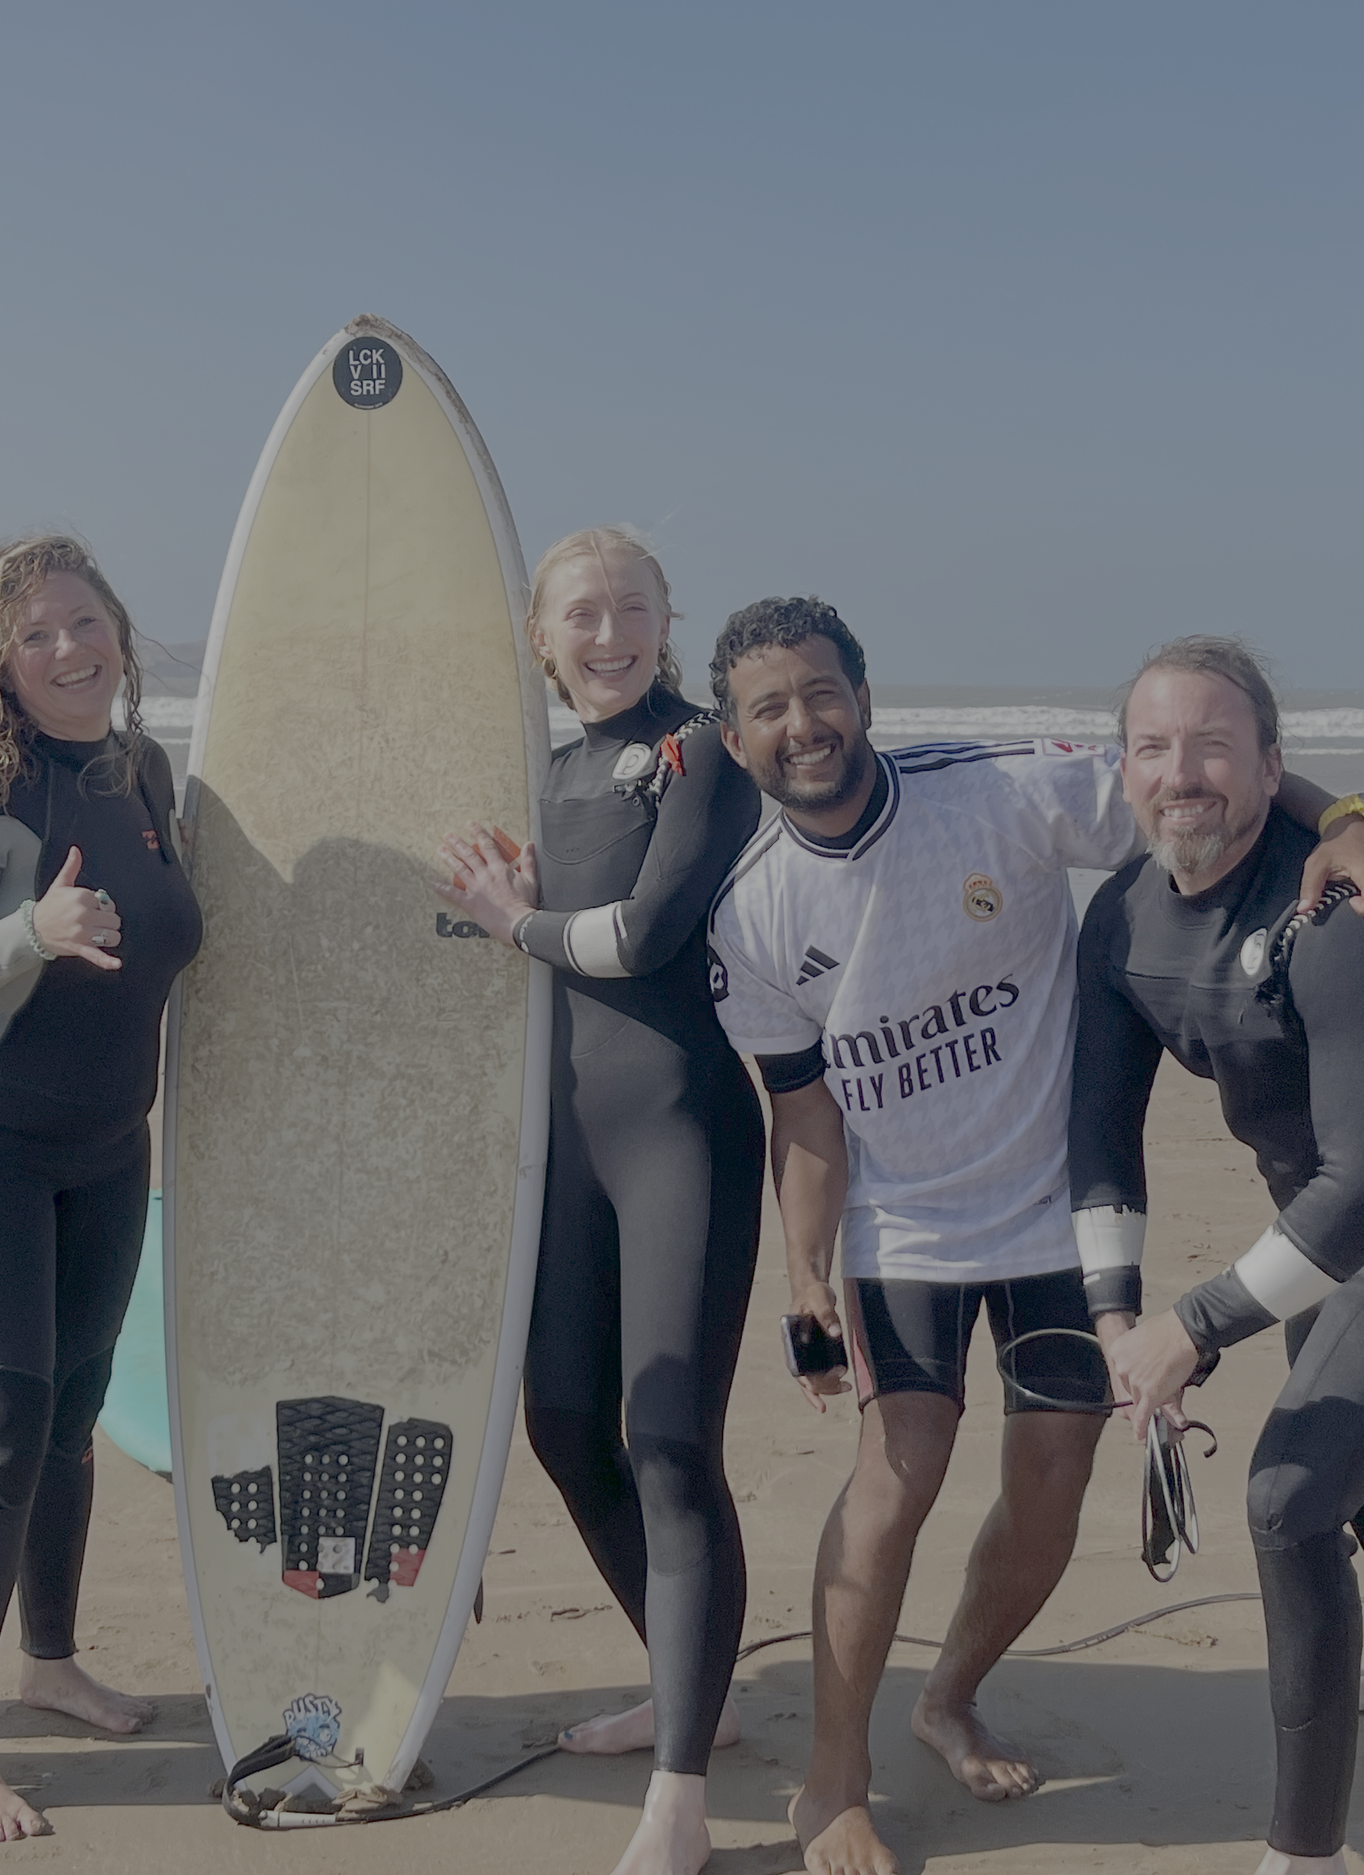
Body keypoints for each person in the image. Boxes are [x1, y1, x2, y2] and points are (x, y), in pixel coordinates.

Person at [701, 599, 1364, 1875]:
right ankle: (833, 1777)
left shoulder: (1005, 792)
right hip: (900, 1229)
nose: (802, 725)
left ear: (864, 698)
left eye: (822, 694)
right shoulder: (750, 914)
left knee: (1048, 1488)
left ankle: (947, 1694)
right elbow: (805, 1121)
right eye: (769, 708)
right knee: (898, 1476)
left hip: (1052, 1206)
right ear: (733, 733)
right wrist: (807, 1276)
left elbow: (1195, 780)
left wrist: (1352, 822)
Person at [1072, 636, 1364, 1875]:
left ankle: (1303, 1855)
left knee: (1286, 1498)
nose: (1186, 773)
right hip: (1318, 1221)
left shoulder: (1340, 912)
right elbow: (1099, 1137)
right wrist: (1118, 1316)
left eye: (1216, 745)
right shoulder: (1118, 921)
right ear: (1121, 772)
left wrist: (1197, 1323)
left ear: (1271, 767)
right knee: (1354, 1449)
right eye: (1157, 747)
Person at [434, 526, 764, 1875]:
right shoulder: (546, 766)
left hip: (681, 1129)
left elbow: (639, 933)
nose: (610, 628)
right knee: (567, 1425)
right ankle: (693, 1685)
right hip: (563, 1146)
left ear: (668, 617)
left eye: (634, 604)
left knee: (673, 1441)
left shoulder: (701, 749)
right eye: (583, 610)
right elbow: (501, 913)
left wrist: (511, 920)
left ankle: (678, 1794)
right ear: (539, 634)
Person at [0, 536, 204, 1843]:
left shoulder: (143, 771)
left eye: (84, 621)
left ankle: (50, 1659)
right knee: (1, 1428)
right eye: (36, 635)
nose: (70, 649)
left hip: (110, 1142)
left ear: (118, 626)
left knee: (69, 1415)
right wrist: (35, 933)